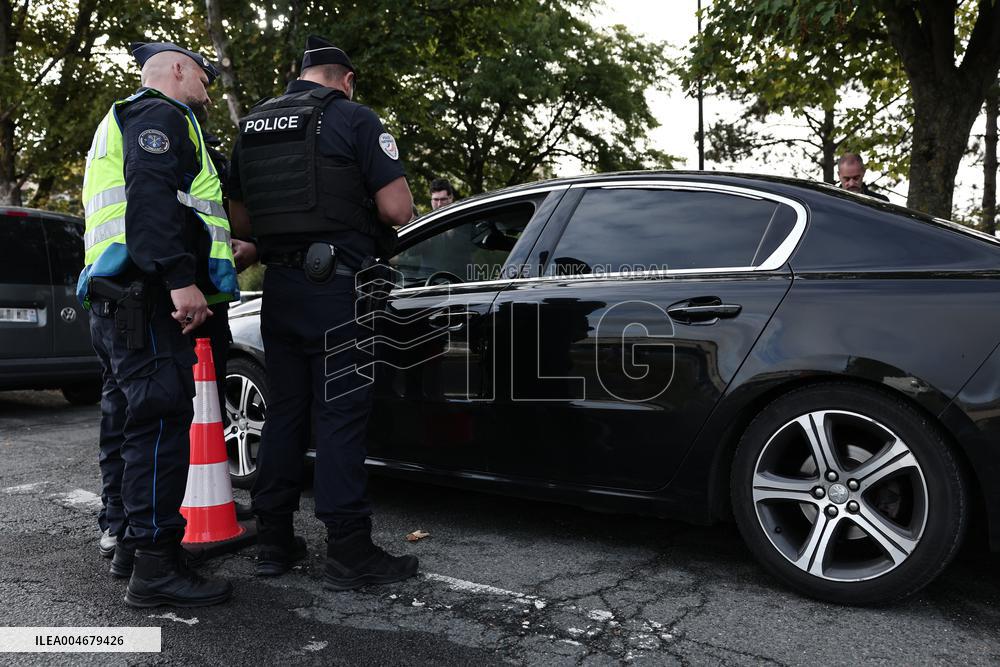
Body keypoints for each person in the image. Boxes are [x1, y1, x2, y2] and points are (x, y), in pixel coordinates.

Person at [227, 35, 417, 589]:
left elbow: (241, 223)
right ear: (346, 79)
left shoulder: (253, 126)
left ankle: (273, 542)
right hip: (338, 291)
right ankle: (349, 552)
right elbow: (398, 208)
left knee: (285, 414)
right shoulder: (355, 119)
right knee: (339, 418)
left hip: (279, 290)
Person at [80, 41, 239, 608]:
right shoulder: (163, 114)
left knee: (133, 423)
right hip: (146, 298)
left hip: (119, 298)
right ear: (177, 69)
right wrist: (179, 278)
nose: (207, 86)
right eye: (203, 74)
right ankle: (155, 566)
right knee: (161, 426)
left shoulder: (120, 118)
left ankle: (131, 546)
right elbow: (151, 200)